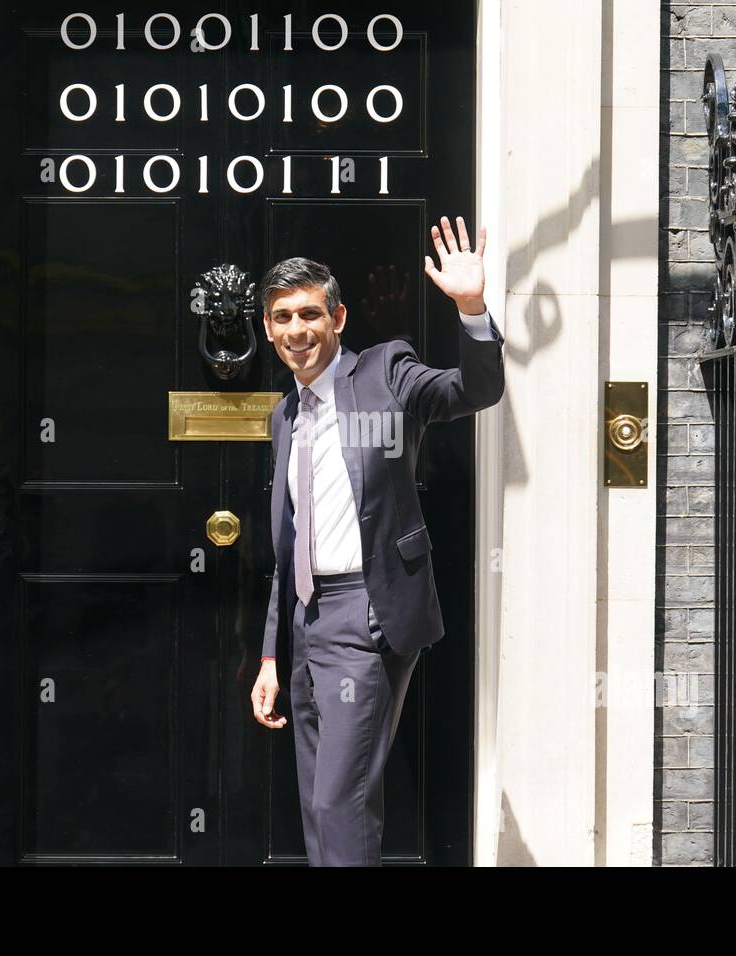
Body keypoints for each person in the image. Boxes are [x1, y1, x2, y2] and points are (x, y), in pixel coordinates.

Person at [248, 215, 505, 866]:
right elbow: (287, 546)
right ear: (269, 329)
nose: (295, 329)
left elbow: (473, 390)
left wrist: (472, 307)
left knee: (340, 798)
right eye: (281, 318)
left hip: (367, 613)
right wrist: (273, 655)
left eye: (308, 314)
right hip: (306, 623)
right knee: (320, 799)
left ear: (337, 319)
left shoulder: (386, 372)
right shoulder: (284, 416)